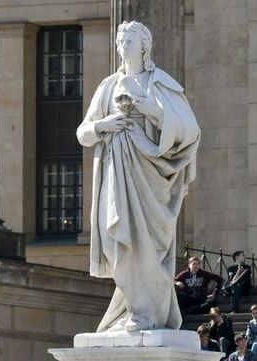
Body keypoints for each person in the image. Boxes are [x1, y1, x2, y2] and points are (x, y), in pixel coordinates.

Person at [77, 19, 201, 335]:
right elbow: (84, 132)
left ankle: (145, 312)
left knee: (145, 245)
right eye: (120, 41)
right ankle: (133, 308)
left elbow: (189, 130)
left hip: (150, 175)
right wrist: (104, 126)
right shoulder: (107, 86)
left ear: (143, 45)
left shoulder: (159, 84)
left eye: (129, 41)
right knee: (116, 240)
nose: (123, 46)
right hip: (115, 171)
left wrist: (153, 111)